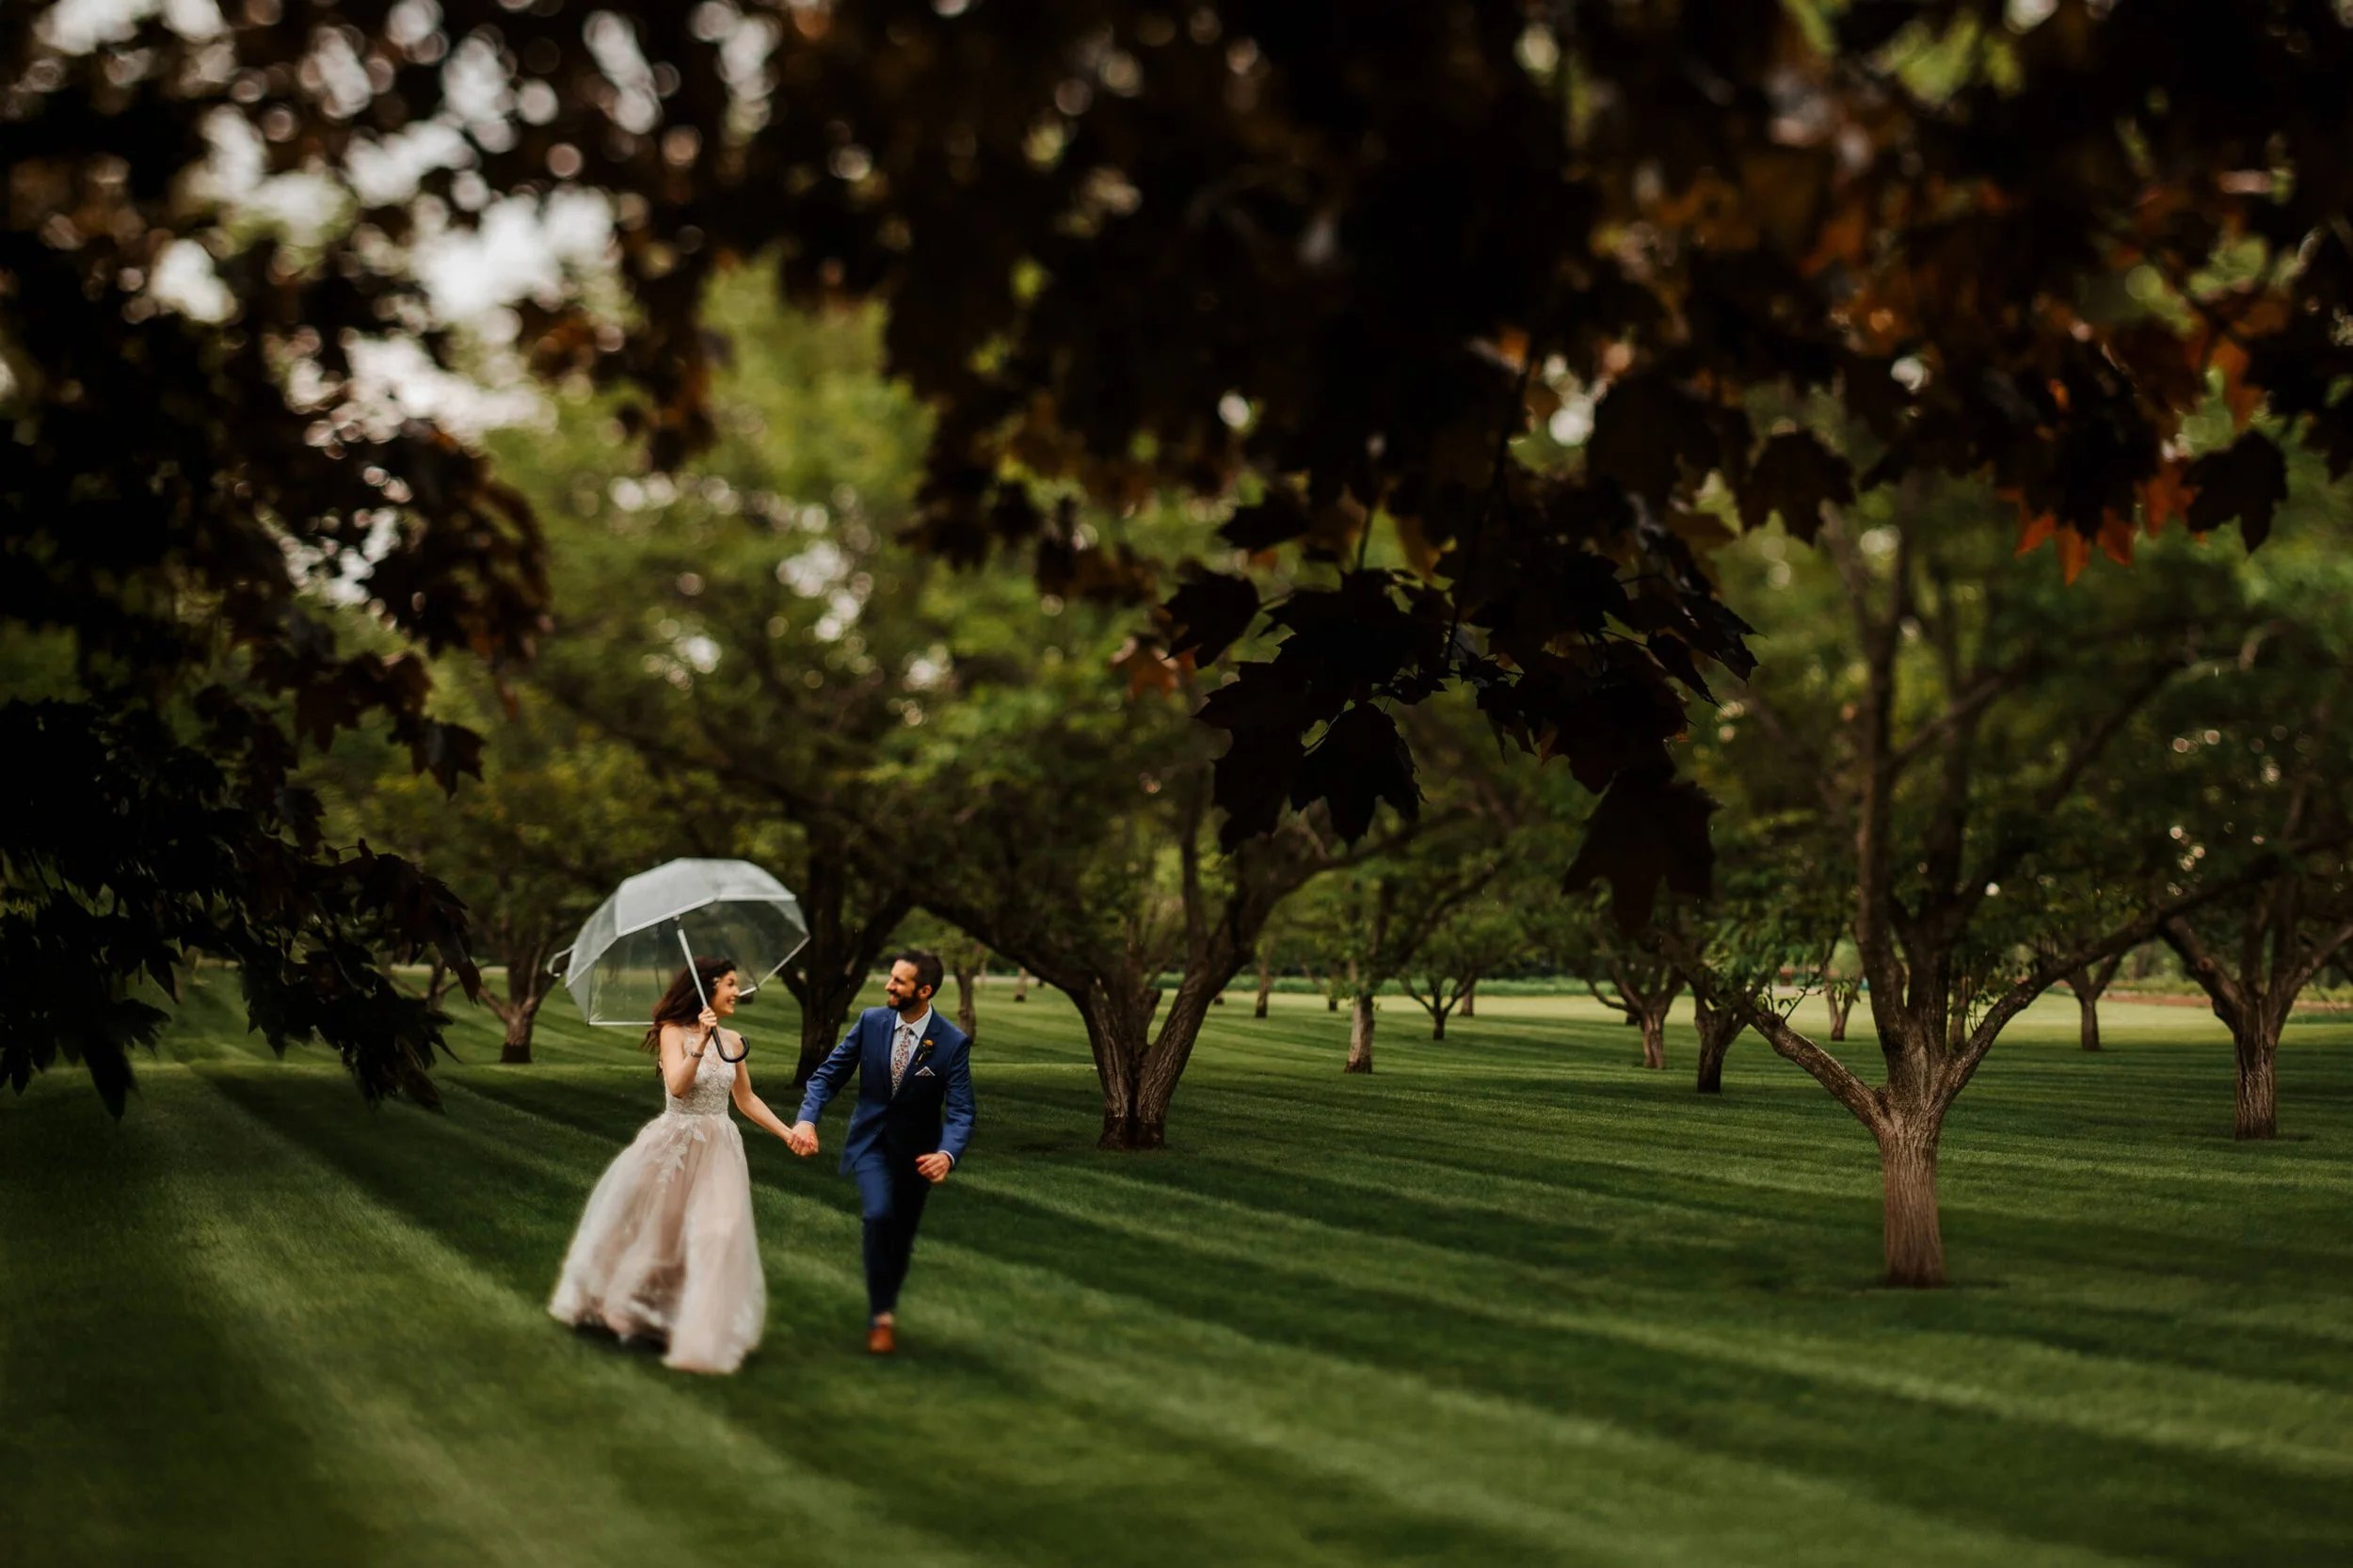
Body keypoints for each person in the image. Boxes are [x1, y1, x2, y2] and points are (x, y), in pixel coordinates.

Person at [548, 954, 800, 1373]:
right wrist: (699, 1043)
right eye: (731, 984)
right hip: (674, 1143)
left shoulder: (734, 1041)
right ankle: (635, 1313)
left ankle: (703, 1335)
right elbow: (678, 1088)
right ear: (707, 988)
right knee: (661, 1236)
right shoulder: (672, 1032)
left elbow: (745, 1099)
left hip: (719, 1146)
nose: (738, 992)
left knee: (717, 1234)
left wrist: (788, 1133)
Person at [787, 950, 975, 1354]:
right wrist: (807, 1118)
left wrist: (947, 1154)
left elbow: (961, 1112)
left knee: (901, 1236)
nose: (888, 985)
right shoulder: (871, 1022)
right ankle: (881, 1319)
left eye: (899, 981)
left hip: (918, 1156)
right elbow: (826, 1076)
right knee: (878, 1215)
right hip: (870, 1145)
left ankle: (886, 1304)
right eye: (890, 978)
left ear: (924, 991)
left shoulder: (952, 1043)